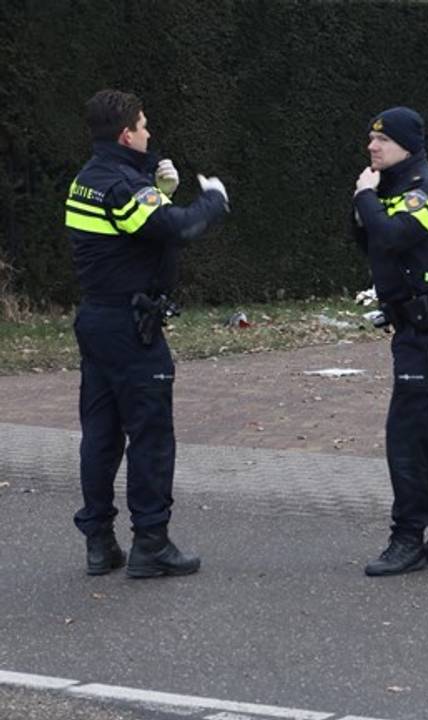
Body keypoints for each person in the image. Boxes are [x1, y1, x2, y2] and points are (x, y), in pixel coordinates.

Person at [65, 89, 229, 578]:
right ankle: (151, 543)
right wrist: (214, 201)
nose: (149, 132)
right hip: (131, 328)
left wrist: (152, 181)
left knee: (100, 436)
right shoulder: (120, 186)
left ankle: (99, 543)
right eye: (143, 125)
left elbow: (134, 231)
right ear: (125, 134)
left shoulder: (88, 180)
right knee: (151, 437)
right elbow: (175, 229)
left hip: (96, 321)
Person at [351, 106, 428, 577]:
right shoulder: (395, 186)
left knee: (407, 434)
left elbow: (392, 236)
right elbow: (368, 239)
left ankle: (407, 539)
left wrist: (364, 197)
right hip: (417, 325)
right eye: (371, 139)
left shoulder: (426, 189)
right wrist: (367, 201)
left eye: (382, 140)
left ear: (407, 145)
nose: (372, 147)